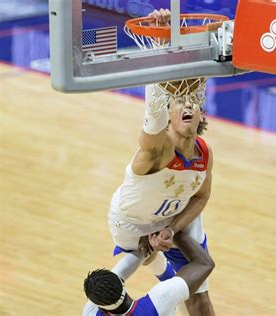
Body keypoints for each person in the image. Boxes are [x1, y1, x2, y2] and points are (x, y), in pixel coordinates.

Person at [107, 9, 215, 313]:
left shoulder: (204, 152)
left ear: (202, 113)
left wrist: (173, 228)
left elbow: (202, 195)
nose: (187, 104)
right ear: (167, 116)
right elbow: (151, 124)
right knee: (167, 278)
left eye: (191, 101)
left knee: (199, 294)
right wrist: (162, 42)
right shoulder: (156, 150)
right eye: (178, 102)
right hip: (131, 224)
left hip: (174, 216)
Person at [83, 232, 215, 315]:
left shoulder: (90, 313)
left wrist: (148, 246)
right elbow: (205, 264)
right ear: (121, 284)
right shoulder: (161, 298)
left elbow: (118, 273)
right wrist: (174, 231)